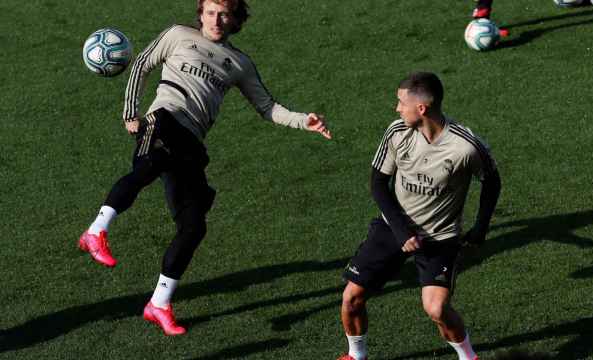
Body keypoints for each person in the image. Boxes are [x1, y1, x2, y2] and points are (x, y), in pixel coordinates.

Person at [77, 0, 331, 336]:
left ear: (235, 18)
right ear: (201, 14)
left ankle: (159, 303)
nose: (215, 19)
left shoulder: (239, 63)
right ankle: (96, 231)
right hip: (163, 120)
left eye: (223, 13)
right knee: (147, 167)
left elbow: (267, 107)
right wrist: (130, 113)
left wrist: (304, 121)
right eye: (210, 12)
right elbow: (141, 64)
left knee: (194, 225)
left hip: (192, 145)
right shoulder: (178, 35)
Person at [337, 72, 501, 360]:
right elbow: (377, 183)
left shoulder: (465, 146)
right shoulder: (397, 132)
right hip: (394, 228)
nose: (397, 108)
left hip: (440, 238)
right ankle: (356, 355)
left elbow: (491, 181)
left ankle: (468, 357)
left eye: (401, 102)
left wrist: (480, 228)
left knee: (436, 309)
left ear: (421, 108)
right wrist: (402, 232)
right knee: (351, 298)